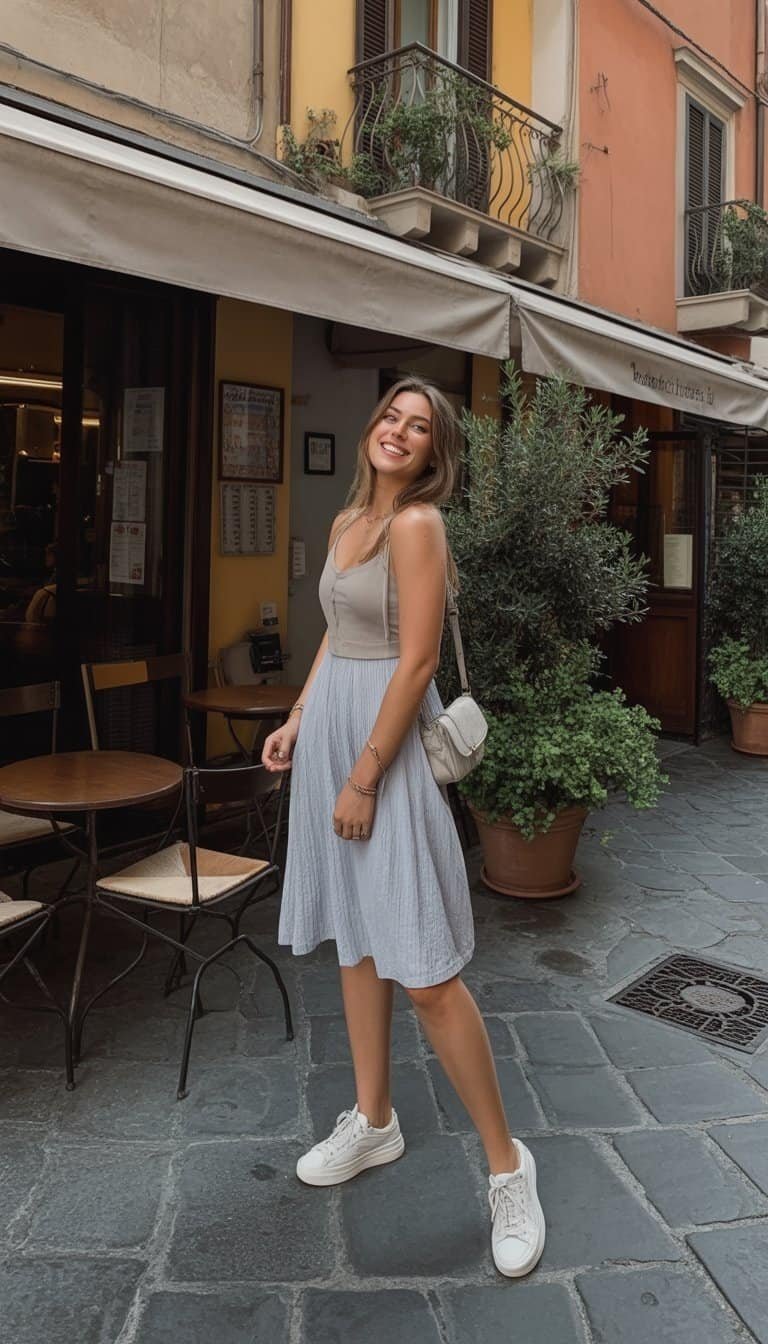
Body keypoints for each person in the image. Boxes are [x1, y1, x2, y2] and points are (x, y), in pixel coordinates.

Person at [262, 378, 546, 1278]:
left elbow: (417, 656)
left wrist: (364, 774)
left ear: (433, 454)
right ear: (372, 428)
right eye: (391, 415)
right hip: (336, 740)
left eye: (419, 427)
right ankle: (374, 1119)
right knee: (355, 940)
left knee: (424, 971)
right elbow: (334, 636)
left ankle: (509, 1168)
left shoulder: (419, 526)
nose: (399, 432)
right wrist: (301, 717)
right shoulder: (350, 520)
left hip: (379, 752)